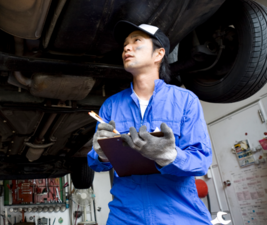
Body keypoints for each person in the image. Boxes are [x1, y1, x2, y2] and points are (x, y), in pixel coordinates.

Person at [87, 21, 213, 224]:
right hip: (125, 216)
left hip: (179, 215)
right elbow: (96, 164)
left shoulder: (185, 100)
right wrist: (101, 154)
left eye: (137, 41)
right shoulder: (111, 105)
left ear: (159, 54)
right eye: (125, 45)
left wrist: (170, 155)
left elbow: (201, 161)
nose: (127, 48)